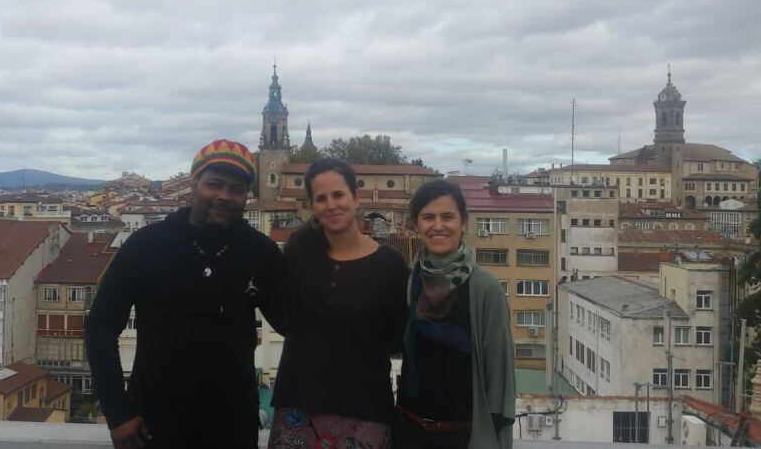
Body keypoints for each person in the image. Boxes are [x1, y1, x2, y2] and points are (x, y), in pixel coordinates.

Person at [85, 139, 281, 449]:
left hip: (232, 425)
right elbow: (100, 326)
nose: (224, 196)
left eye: (237, 189)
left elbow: (293, 322)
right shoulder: (146, 245)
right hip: (152, 422)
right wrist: (117, 412)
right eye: (215, 184)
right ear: (195, 183)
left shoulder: (262, 252)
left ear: (247, 195)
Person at [267, 158, 409, 449]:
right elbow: (283, 313)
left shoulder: (389, 264)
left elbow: (398, 337)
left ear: (356, 197)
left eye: (338, 195)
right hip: (298, 409)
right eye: (321, 198)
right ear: (312, 206)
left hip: (365, 413)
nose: (331, 205)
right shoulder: (298, 255)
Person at [393, 179, 515, 449]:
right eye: (428, 217)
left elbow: (499, 375)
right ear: (416, 224)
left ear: (464, 222)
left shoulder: (484, 287)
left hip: (463, 437)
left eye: (447, 216)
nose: (438, 225)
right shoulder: (410, 280)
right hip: (408, 433)